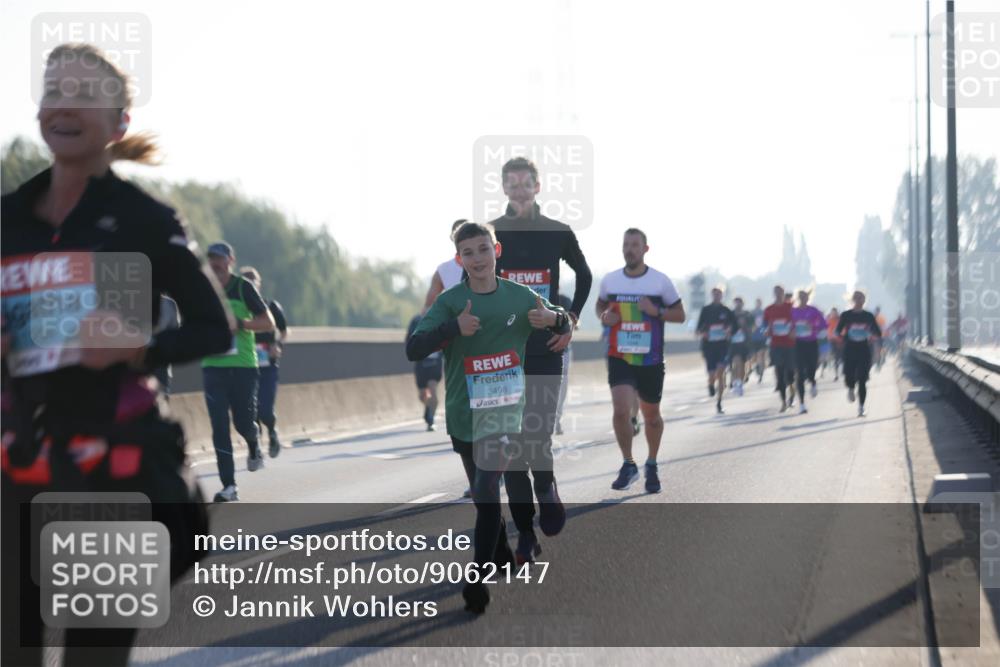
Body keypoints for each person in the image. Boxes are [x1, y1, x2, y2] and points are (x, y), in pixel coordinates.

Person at [1, 43, 231, 667]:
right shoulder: (7, 218)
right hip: (16, 467)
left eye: (82, 95)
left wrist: (139, 349)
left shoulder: (144, 220)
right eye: (53, 92)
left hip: (113, 470)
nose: (63, 107)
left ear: (119, 122)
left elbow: (217, 330)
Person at [406, 222, 571, 613]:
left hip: (505, 415)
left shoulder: (519, 296)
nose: (477, 259)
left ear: (496, 250)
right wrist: (453, 329)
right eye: (468, 253)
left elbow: (561, 317)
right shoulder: (450, 302)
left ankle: (476, 582)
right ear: (458, 258)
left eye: (483, 250)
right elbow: (414, 348)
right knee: (485, 499)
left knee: (484, 494)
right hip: (465, 417)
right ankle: (497, 553)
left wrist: (554, 321)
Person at [489, 157, 592, 566]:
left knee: (535, 438)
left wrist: (571, 321)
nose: (518, 189)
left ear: (537, 186)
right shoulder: (492, 233)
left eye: (524, 182)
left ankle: (547, 488)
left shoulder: (557, 232)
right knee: (510, 446)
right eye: (510, 183)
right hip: (504, 353)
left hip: (546, 347)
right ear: (504, 188)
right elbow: (473, 279)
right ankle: (526, 534)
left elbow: (583, 276)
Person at [596, 229, 685, 493]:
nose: (629, 249)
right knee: (621, 411)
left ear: (646, 249)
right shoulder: (611, 281)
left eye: (635, 245)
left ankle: (652, 463)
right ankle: (628, 463)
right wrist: (604, 317)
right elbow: (601, 306)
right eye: (626, 245)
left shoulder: (660, 282)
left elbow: (680, 314)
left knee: (652, 417)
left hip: (651, 359)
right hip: (619, 355)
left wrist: (656, 311)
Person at [203, 243, 275, 502]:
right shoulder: (201, 287)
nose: (215, 263)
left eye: (220, 259)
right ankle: (229, 486)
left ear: (230, 260)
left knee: (243, 422)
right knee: (219, 425)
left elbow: (268, 322)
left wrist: (240, 324)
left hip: (244, 365)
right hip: (213, 366)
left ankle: (254, 442)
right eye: (211, 259)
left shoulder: (243, 287)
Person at [241, 267, 288, 456]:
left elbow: (284, 331)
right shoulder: (239, 309)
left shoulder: (271, 307)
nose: (251, 284)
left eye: (254, 281)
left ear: (259, 284)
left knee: (265, 409)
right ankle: (256, 447)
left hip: (267, 364)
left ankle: (272, 432)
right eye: (246, 281)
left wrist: (278, 345)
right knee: (250, 410)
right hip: (245, 364)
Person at [836, 291, 882, 417]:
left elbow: (878, 332)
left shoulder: (868, 316)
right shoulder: (846, 315)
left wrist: (870, 334)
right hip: (850, 349)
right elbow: (837, 331)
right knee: (849, 375)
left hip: (864, 349)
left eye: (861, 298)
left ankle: (861, 407)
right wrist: (843, 338)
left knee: (862, 379)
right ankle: (850, 387)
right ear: (852, 300)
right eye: (856, 298)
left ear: (864, 300)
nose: (859, 301)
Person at [696, 287, 735, 414]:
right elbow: (698, 328)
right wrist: (704, 333)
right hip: (709, 347)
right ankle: (711, 385)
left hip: (723, 347)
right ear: (712, 295)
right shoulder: (706, 310)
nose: (717, 296)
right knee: (712, 375)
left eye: (719, 294)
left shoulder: (727, 310)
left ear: (722, 295)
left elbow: (735, 326)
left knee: (721, 373)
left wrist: (730, 330)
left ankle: (719, 402)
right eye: (715, 294)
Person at [406, 310, 443, 431]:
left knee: (433, 392)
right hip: (421, 363)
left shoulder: (441, 318)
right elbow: (409, 339)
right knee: (422, 396)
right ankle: (428, 408)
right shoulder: (416, 320)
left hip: (435, 363)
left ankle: (431, 420)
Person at [791, 289, 826, 414]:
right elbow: (788, 326)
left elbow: (823, 324)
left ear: (808, 297)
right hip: (798, 344)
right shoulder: (792, 311)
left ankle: (813, 381)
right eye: (800, 296)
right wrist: (792, 331)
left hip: (811, 343)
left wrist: (813, 327)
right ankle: (801, 404)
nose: (803, 298)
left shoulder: (813, 310)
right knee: (799, 374)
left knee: (812, 368)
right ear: (797, 298)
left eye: (805, 296)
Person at [423, 219, 469, 309]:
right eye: (460, 234)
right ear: (452, 237)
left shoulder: (486, 265)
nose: (464, 236)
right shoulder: (443, 270)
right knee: (416, 320)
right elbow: (428, 307)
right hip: (456, 319)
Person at [764, 285, 796, 412]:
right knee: (780, 373)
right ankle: (783, 401)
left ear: (783, 293)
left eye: (780, 292)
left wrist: (794, 330)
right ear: (774, 293)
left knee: (790, 374)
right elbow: (763, 326)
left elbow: (798, 322)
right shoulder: (769, 309)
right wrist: (765, 331)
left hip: (790, 345)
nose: (778, 294)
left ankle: (792, 391)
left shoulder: (791, 307)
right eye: (776, 292)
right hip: (776, 345)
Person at [553, 294, 575, 435]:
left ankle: (557, 418)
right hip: (535, 350)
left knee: (561, 385)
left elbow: (573, 322)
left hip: (563, 350)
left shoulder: (565, 300)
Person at [152, 295, 180, 396]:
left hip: (160, 359)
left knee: (162, 396)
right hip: (136, 359)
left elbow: (174, 331)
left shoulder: (169, 303)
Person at [729, 297, 755, 396]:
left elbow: (753, 327)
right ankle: (735, 382)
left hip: (744, 343)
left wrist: (745, 326)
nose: (738, 304)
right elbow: (726, 326)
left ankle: (740, 383)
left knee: (742, 364)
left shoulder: (747, 314)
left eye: (740, 303)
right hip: (733, 343)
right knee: (735, 363)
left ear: (742, 304)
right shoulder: (730, 314)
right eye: (736, 303)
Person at [750, 297, 768, 383]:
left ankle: (761, 373)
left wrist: (765, 332)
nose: (758, 304)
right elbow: (749, 325)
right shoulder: (752, 313)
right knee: (754, 356)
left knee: (761, 355)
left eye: (759, 303)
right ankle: (757, 366)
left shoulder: (764, 313)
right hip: (753, 338)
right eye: (757, 303)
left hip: (762, 338)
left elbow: (766, 325)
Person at [826, 307, 842, 381]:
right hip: (832, 341)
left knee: (841, 358)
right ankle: (836, 374)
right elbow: (826, 330)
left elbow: (844, 329)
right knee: (835, 358)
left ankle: (842, 371)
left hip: (841, 341)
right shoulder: (829, 320)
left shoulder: (840, 320)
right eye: (832, 313)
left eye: (835, 312)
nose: (834, 314)